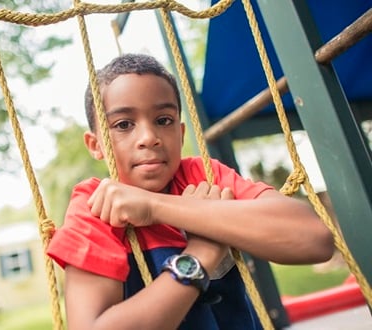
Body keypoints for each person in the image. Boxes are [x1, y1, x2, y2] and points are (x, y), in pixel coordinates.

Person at [46, 53, 334, 330]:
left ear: (181, 133)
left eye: (163, 120)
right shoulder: (95, 208)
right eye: (124, 125)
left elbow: (315, 239)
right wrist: (201, 253)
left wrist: (154, 206)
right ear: (95, 145)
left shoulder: (203, 176)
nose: (149, 138)